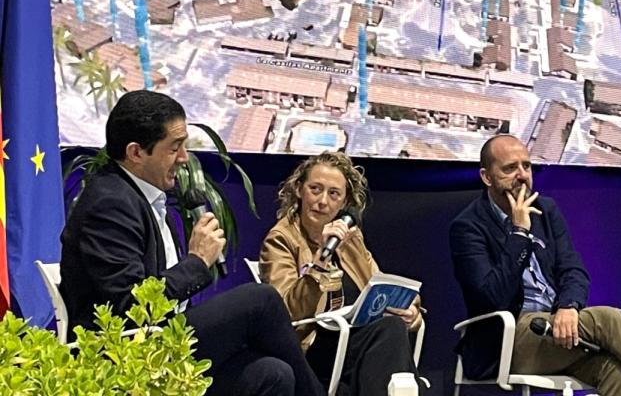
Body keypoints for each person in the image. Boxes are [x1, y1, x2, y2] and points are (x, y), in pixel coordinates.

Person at [60, 90, 324, 396]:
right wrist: (197, 262)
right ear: (136, 152)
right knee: (260, 301)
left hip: (158, 339)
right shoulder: (109, 204)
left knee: (272, 374)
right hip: (126, 356)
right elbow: (131, 306)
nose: (185, 158)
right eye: (174, 148)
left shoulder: (140, 197)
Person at [449, 135, 621, 396]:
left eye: (527, 166)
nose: (522, 175)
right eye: (510, 168)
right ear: (486, 177)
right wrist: (519, 234)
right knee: (608, 319)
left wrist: (568, 306)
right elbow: (491, 297)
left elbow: (573, 269)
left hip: (552, 329)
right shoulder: (468, 227)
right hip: (506, 337)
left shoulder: (546, 210)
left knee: (612, 370)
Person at [259, 151, 421, 395]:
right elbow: (285, 312)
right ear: (300, 190)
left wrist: (411, 311)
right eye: (315, 189)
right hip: (311, 349)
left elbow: (379, 285)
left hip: (355, 345)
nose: (322, 201)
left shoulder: (351, 237)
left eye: (333, 194)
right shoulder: (281, 239)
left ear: (344, 204)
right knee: (388, 332)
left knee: (392, 326)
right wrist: (322, 257)